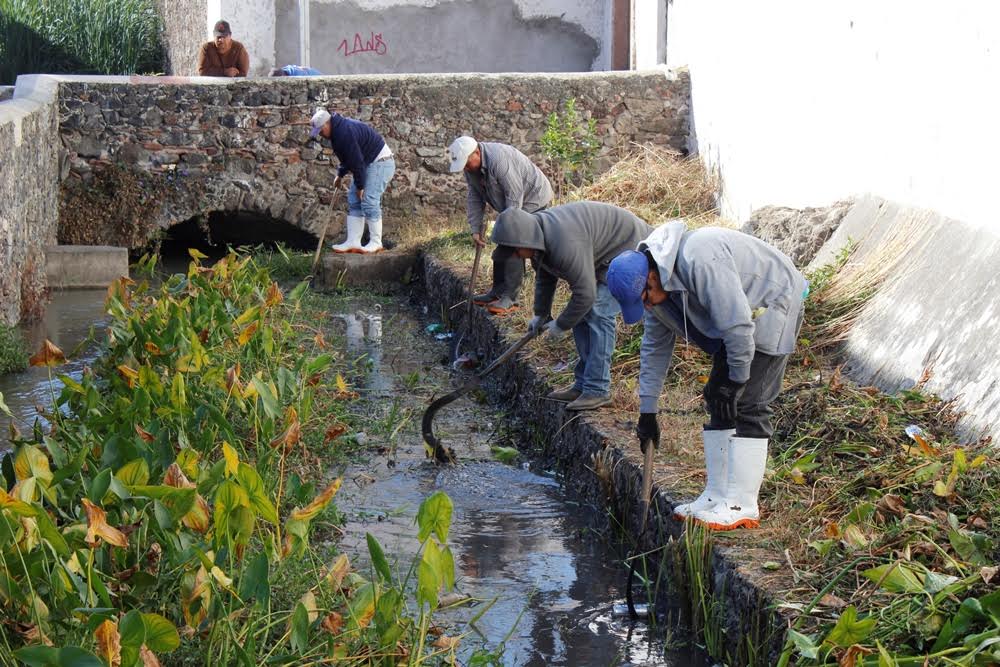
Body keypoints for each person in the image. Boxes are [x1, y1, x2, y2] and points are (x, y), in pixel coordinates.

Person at [606, 221, 808, 531]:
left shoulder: (699, 257)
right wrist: (648, 411)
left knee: (749, 403)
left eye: (644, 298)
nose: (645, 305)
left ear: (650, 276)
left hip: (772, 301)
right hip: (740, 320)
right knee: (716, 396)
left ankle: (742, 505)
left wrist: (737, 380)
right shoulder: (659, 289)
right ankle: (716, 497)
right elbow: (654, 350)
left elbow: (738, 325)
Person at [491, 202, 652, 411]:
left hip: (626, 248)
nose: (515, 257)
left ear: (524, 240)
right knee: (582, 313)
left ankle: (597, 389)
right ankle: (582, 384)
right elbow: (545, 277)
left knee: (597, 311)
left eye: (514, 251)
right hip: (601, 254)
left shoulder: (563, 242)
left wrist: (561, 325)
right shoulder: (539, 242)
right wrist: (541, 314)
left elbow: (585, 294)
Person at [447, 136, 553, 315]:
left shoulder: (500, 160)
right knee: (502, 241)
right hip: (513, 203)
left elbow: (514, 195)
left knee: (514, 242)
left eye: (466, 163)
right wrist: (475, 228)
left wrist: (509, 227)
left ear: (477, 153)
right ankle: (497, 292)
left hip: (533, 200)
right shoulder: (470, 167)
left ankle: (511, 298)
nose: (465, 168)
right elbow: (474, 197)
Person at [309, 108, 396, 254]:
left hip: (381, 162)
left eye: (320, 131)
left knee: (368, 200)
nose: (321, 136)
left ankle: (376, 242)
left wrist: (360, 186)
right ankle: (353, 242)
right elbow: (347, 158)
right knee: (354, 199)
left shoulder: (344, 133)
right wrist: (340, 174)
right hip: (367, 163)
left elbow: (356, 162)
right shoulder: (337, 133)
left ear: (326, 125)